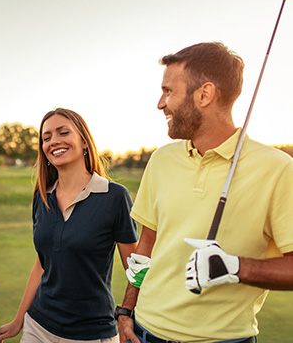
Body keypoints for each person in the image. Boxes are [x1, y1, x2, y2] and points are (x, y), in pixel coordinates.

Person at [117, 42, 293, 343]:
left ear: (204, 94)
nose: (161, 103)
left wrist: (235, 267)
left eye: (169, 91)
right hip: (144, 332)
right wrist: (126, 309)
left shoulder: (278, 169)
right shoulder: (162, 160)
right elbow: (147, 242)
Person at [0, 108, 138, 343]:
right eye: (46, 138)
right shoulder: (41, 196)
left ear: (84, 141)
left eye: (63, 132)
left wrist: (128, 316)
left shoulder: (114, 196)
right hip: (37, 326)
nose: (54, 141)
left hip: (91, 334)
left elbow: (135, 268)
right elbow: (42, 263)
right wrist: (19, 320)